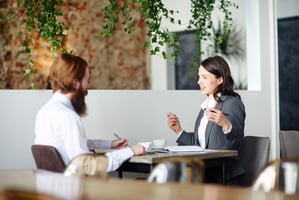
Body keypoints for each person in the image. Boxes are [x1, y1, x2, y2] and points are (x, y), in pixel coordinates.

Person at [34, 53, 145, 172]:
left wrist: (110, 144)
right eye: (87, 81)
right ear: (76, 84)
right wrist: (130, 151)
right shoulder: (67, 117)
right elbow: (87, 165)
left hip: (51, 186)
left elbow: (73, 144)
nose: (87, 87)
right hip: (72, 187)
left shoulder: (44, 112)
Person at [167, 55, 246, 184]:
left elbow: (236, 144)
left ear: (220, 79)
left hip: (223, 177)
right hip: (206, 175)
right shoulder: (206, 106)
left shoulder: (232, 103)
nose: (199, 82)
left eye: (204, 77)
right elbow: (199, 146)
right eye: (199, 77)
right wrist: (178, 131)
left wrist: (226, 125)